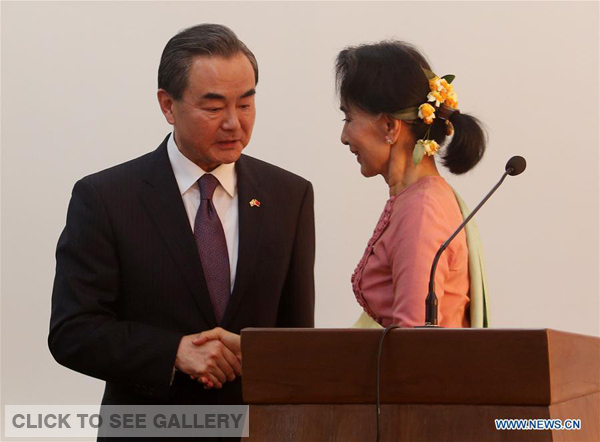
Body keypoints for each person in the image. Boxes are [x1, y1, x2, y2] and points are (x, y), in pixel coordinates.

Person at [48, 23, 315, 406]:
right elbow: (72, 331)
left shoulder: (290, 195)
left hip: (257, 427)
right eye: (213, 107)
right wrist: (172, 351)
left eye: (245, 104)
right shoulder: (106, 198)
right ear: (168, 105)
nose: (233, 123)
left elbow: (297, 341)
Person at [335, 40, 489, 328]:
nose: (344, 137)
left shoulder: (421, 210)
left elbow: (412, 344)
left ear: (390, 127)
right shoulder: (416, 199)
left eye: (349, 118)